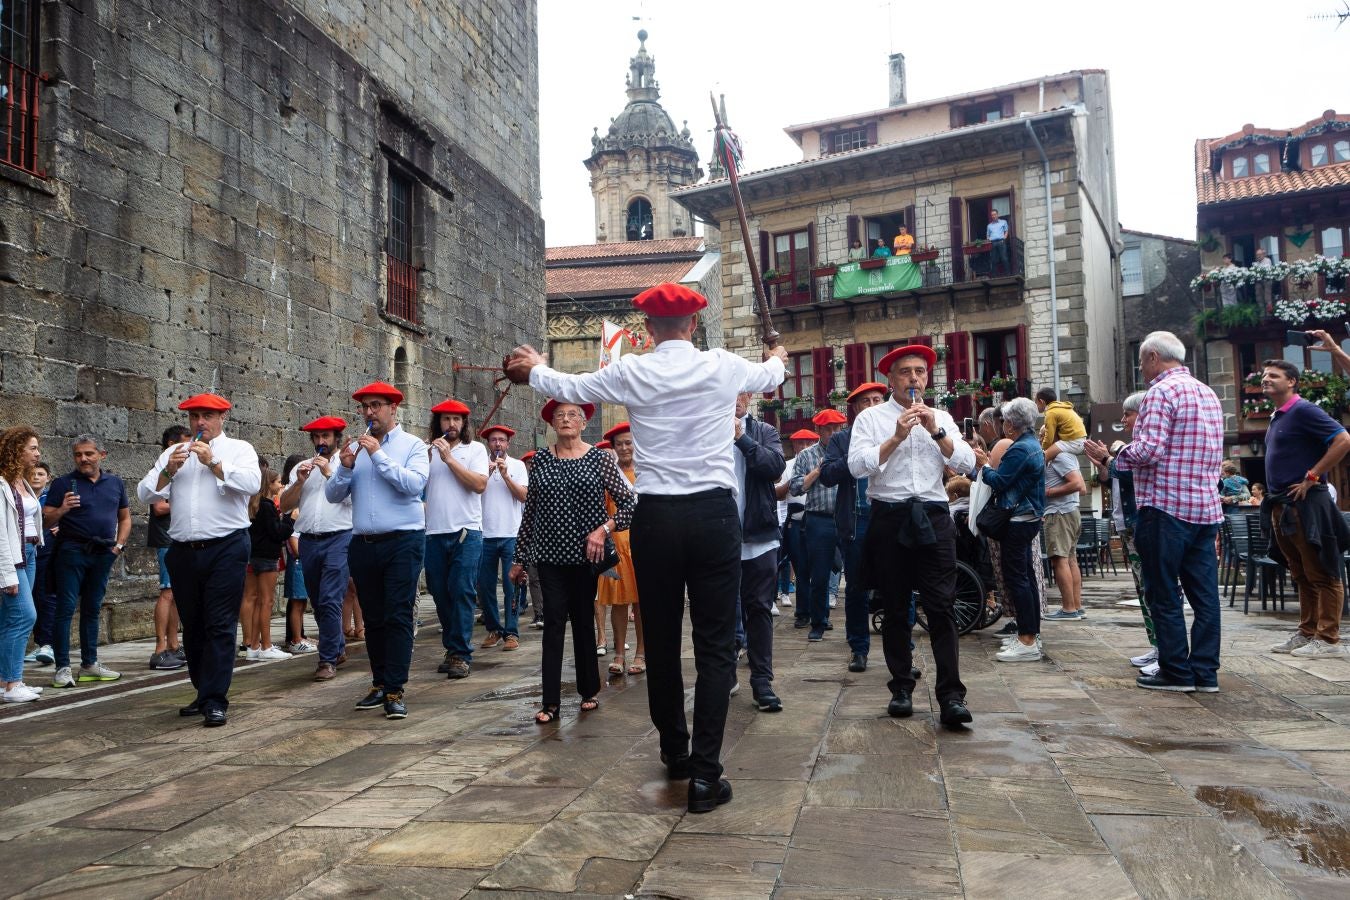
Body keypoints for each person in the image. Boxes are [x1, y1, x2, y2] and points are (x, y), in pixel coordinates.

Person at [505, 281, 786, 814]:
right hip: (712, 515)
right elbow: (774, 374)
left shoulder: (634, 369)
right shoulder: (724, 365)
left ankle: (675, 751)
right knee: (715, 643)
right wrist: (777, 356)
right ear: (693, 327)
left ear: (649, 330)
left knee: (658, 636)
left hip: (656, 516)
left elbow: (571, 380)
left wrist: (536, 365)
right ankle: (706, 772)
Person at [848, 344, 975, 727]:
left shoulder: (942, 417)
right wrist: (896, 438)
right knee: (895, 605)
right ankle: (901, 687)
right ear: (891, 379)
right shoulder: (871, 419)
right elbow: (856, 466)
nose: (914, 378)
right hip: (890, 515)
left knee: (941, 605)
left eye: (920, 371)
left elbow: (967, 462)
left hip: (934, 513)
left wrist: (936, 431)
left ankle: (952, 696)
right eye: (906, 372)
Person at [1098, 331, 1224, 693]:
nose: (1141, 367)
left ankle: (1175, 672)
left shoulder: (1160, 392)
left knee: (1163, 592)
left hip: (1166, 509)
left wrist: (1117, 455)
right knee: (1205, 598)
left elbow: (1149, 451)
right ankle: (1205, 673)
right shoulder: (1208, 393)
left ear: (1153, 357)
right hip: (1205, 510)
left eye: (1141, 361)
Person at [137, 394, 262, 725]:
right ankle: (203, 691)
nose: (200, 422)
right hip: (183, 550)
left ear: (222, 419)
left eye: (207, 416)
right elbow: (145, 493)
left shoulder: (239, 449)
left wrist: (214, 463)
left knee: (219, 623)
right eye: (195, 417)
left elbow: (252, 484)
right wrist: (168, 470)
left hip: (226, 546)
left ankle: (216, 698)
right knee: (192, 625)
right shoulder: (173, 453)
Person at [509, 400, 635, 723]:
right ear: (552, 423)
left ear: (582, 422)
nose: (566, 420)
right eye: (559, 416)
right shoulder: (540, 461)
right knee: (552, 622)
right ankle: (549, 701)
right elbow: (531, 514)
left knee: (582, 620)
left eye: (572, 415)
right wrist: (520, 558)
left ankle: (588, 690)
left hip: (586, 557)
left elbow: (629, 503)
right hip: (549, 557)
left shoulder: (599, 459)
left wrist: (603, 529)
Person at [324, 382, 429, 719]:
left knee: (398, 613)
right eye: (364, 407)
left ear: (393, 409)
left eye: (375, 406)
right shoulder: (355, 449)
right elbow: (333, 495)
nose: (369, 413)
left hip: (403, 541)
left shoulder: (412, 445)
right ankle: (380, 681)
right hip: (363, 543)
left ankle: (396, 688)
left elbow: (413, 485)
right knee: (373, 616)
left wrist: (377, 456)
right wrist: (345, 467)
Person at [1256, 359, 1350, 658]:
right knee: (1301, 573)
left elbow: (1343, 439)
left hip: (1307, 503)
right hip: (1283, 505)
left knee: (1322, 571)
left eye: (1273, 375)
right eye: (1263, 376)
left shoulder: (1304, 410)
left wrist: (1311, 477)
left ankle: (1329, 638)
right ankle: (1307, 631)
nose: (1265, 379)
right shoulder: (1278, 416)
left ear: (1292, 381)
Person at [44, 434, 131, 687]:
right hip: (71, 552)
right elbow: (45, 521)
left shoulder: (115, 483)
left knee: (92, 608)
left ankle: (90, 664)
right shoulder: (63, 483)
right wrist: (62, 510)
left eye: (88, 454)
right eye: (78, 454)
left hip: (104, 553)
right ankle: (62, 668)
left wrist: (119, 546)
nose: (83, 459)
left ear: (101, 455)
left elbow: (124, 517)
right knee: (65, 608)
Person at [820, 381, 889, 673]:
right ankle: (859, 648)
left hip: (890, 519)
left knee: (898, 585)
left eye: (877, 400)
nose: (873, 406)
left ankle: (905, 651)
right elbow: (826, 475)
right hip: (857, 521)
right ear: (855, 409)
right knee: (857, 588)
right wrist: (856, 458)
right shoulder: (842, 440)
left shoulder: (894, 433)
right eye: (866, 402)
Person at [1085, 393, 1156, 672]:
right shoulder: (1129, 449)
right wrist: (1103, 464)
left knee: (1152, 588)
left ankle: (1165, 649)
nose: (1123, 419)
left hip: (1141, 523)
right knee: (1143, 588)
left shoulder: (1141, 449)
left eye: (1128, 414)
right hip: (1127, 524)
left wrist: (1110, 459)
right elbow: (1109, 481)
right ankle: (1157, 646)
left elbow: (1131, 476)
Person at [280, 415, 354, 681]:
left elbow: (352, 500)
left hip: (340, 537)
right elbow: (285, 505)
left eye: (326, 436)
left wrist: (330, 473)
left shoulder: (347, 464)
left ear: (336, 438)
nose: (321, 442)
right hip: (309, 540)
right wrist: (300, 482)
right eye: (317, 437)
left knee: (330, 599)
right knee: (318, 601)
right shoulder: (302, 467)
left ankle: (326, 660)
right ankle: (338, 648)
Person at [974, 399, 1046, 662]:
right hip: (1028, 517)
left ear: (1012, 424)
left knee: (1018, 579)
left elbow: (1000, 482)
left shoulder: (1019, 449)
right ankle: (1030, 635)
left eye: (1003, 420)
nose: (1001, 424)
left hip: (1019, 519)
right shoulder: (1031, 445)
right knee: (1025, 577)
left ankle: (1027, 639)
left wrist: (984, 466)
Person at [423, 398, 488, 679]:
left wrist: (449, 459)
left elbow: (479, 485)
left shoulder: (475, 450)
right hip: (434, 532)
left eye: (456, 420)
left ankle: (461, 653)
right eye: (446, 420)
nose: (451, 424)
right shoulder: (426, 452)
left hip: (466, 531)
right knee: (440, 594)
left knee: (462, 591)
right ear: (438, 423)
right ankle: (452, 648)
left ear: (464, 424)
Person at [732, 392, 786, 711]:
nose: (736, 398)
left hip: (760, 535)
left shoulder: (763, 431)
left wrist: (740, 438)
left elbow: (775, 468)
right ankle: (724, 673)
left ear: (749, 396)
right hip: (719, 536)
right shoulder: (707, 431)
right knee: (721, 610)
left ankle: (762, 681)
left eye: (742, 392)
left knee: (760, 608)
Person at [790, 409, 846, 642]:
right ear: (819, 431)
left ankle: (855, 629)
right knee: (819, 574)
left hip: (845, 518)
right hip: (818, 519)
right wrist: (817, 471)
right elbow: (794, 488)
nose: (833, 433)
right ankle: (818, 622)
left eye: (837, 428)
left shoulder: (849, 452)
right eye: (828, 429)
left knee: (855, 572)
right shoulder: (806, 456)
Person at [596, 422, 644, 676]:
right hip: (616, 544)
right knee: (618, 602)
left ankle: (641, 653)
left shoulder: (647, 471)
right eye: (620, 444)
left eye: (629, 443)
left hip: (644, 544)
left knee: (641, 602)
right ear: (613, 448)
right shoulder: (609, 476)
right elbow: (602, 510)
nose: (625, 448)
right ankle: (618, 652)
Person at [0, 427, 43, 702]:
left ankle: (6, 681)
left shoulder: (21, 481)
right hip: (14, 556)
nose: (38, 454)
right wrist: (7, 574)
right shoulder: (2, 483)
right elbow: (1, 533)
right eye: (33, 448)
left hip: (30, 553)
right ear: (17, 450)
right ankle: (13, 685)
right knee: (25, 616)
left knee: (9, 620)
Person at [478, 424, 529, 654]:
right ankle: (494, 629)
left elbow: (523, 496)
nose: (497, 444)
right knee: (485, 586)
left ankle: (511, 631)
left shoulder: (517, 465)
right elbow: (473, 491)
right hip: (484, 534)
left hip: (511, 533)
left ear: (508, 444)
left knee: (512, 586)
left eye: (501, 440)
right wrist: (487, 474)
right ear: (488, 444)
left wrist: (506, 475)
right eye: (493, 440)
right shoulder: (479, 464)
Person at [239, 464, 293, 660]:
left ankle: (253, 645)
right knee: (266, 601)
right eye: (278, 482)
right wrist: (289, 519)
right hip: (267, 557)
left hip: (252, 555)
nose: (280, 485)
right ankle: (266, 645)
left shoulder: (253, 504)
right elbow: (278, 533)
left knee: (254, 600)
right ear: (269, 484)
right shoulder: (268, 506)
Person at [146, 425, 188, 670]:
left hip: (176, 537)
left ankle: (173, 644)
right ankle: (160, 647)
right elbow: (159, 507)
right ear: (172, 444)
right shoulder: (162, 469)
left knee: (175, 594)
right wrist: (183, 501)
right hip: (165, 538)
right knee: (167, 593)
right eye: (183, 443)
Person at [1041, 446, 1085, 621]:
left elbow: (1078, 485)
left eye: (1045, 433)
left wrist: (1048, 492)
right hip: (1069, 511)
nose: (1042, 437)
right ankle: (1076, 606)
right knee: (1070, 559)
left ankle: (1068, 609)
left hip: (1059, 513)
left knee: (1060, 560)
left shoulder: (1059, 457)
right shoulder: (1068, 456)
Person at [279, 453, 315, 655]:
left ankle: (299, 634)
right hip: (298, 557)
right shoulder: (292, 508)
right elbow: (293, 535)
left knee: (301, 601)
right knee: (298, 601)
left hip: (300, 556)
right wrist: (301, 555)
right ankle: (295, 638)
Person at [783, 429, 818, 629]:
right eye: (800, 443)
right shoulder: (788, 466)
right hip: (796, 520)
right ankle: (803, 611)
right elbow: (783, 491)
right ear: (794, 446)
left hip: (816, 518)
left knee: (820, 568)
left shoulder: (821, 462)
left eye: (808, 442)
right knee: (801, 567)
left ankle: (819, 612)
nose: (804, 447)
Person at [25, 462, 58, 668]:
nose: (36, 477)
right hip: (28, 554)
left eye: (41, 473)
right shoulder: (23, 498)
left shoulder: (51, 499)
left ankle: (48, 644)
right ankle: (39, 643)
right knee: (32, 598)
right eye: (32, 473)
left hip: (47, 553)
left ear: (48, 477)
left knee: (47, 597)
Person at [1035, 388, 1087, 464]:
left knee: (1043, 457)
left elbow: (1049, 438)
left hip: (1073, 441)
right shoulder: (1061, 407)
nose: (1035, 406)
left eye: (1036, 403)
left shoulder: (1051, 413)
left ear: (1041, 402)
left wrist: (1041, 448)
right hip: (1079, 440)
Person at [987, 208, 1010, 275]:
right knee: (994, 260)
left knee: (1004, 258)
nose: (993, 216)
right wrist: (989, 240)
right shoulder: (989, 226)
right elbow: (988, 235)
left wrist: (1004, 238)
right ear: (991, 216)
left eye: (995, 214)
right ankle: (994, 275)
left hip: (1001, 242)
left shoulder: (1003, 222)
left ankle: (1008, 274)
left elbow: (1006, 231)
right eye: (992, 215)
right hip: (993, 243)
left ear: (997, 215)